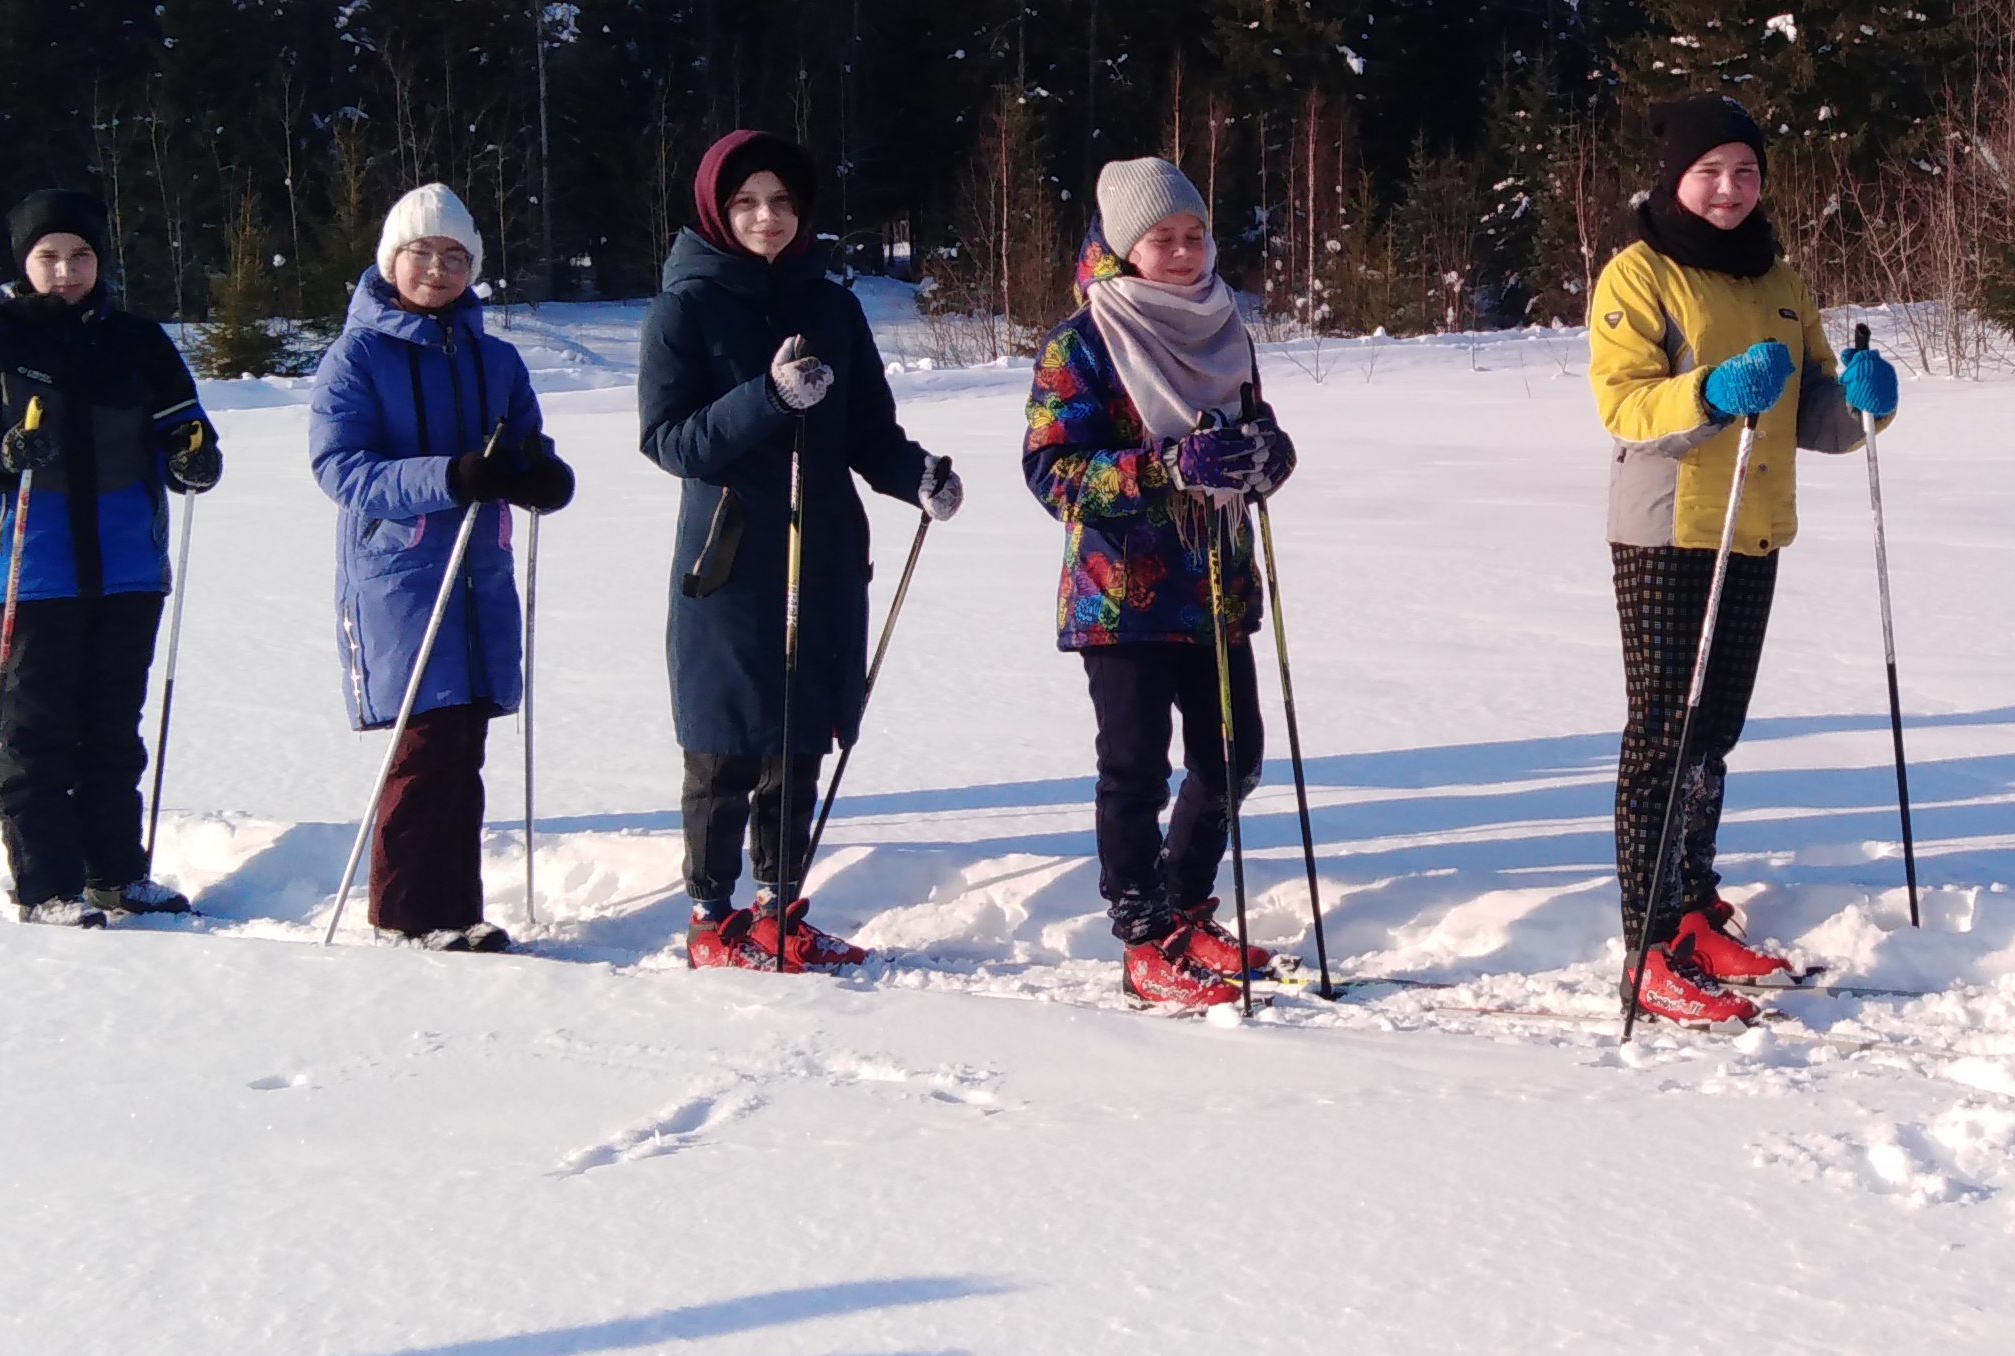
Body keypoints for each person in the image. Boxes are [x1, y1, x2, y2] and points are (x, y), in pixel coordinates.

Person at [1584, 95, 1902, 1028]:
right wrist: (1713, 392)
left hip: (1751, 523)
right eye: (1710, 171)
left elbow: (1815, 417)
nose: (1729, 189)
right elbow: (1625, 407)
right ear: (1674, 178)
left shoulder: (1780, 276)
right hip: (1666, 527)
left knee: (1712, 731)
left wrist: (1864, 400)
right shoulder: (1637, 274)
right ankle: (1649, 940)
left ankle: (1691, 902)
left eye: (1746, 172)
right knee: (1663, 732)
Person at [637, 129, 964, 971]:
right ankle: (713, 918)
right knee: (725, 741)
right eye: (747, 201)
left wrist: (914, 476)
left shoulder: (832, 304)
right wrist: (769, 397)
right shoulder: (685, 307)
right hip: (729, 557)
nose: (767, 217)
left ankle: (780, 908)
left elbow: (864, 428)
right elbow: (671, 441)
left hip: (819, 549)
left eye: (782, 201)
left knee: (798, 737)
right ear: (717, 207)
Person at [1021, 159, 1301, 1010]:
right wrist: (1166, 467)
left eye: (1194, 236)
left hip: (1215, 580)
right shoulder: (1084, 340)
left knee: (1234, 757)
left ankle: (1185, 903)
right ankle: (1143, 933)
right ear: (1121, 246)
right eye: (1161, 240)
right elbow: (1052, 473)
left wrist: (1268, 457)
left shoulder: (1225, 327)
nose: (1182, 254)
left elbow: (1257, 429)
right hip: (1123, 592)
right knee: (1135, 767)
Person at [0, 188, 224, 925]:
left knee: (113, 732)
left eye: (81, 255)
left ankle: (116, 875)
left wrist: (195, 461)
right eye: (49, 256)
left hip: (129, 566)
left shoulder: (137, 338)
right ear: (25, 262)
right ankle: (45, 887)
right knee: (34, 736)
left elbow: (186, 430)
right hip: (32, 567)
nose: (66, 270)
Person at [308, 184, 575, 952]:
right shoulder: (357, 354)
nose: (436, 268)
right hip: (399, 576)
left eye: (454, 256)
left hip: (477, 575)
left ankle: (455, 909)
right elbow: (341, 468)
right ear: (392, 260)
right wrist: (450, 477)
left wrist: (537, 475)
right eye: (421, 253)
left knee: (465, 742)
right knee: (422, 745)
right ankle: (407, 913)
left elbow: (525, 441)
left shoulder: (497, 358)